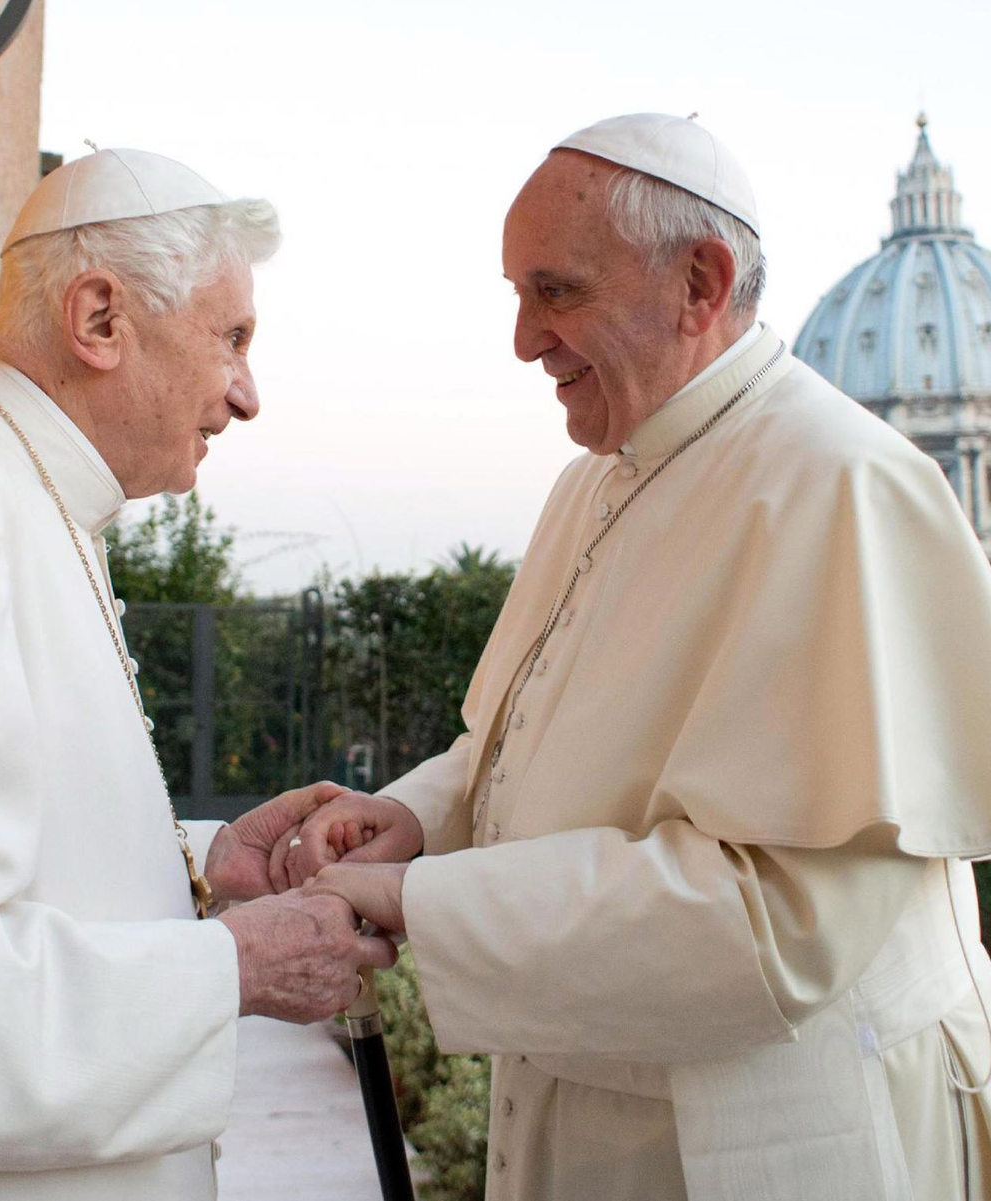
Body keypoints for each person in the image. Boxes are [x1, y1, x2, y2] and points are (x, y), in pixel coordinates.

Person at [282, 113, 991, 1199]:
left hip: (770, 1134)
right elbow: (523, 742)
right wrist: (422, 819)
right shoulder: (599, 476)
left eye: (556, 292)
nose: (523, 339)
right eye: (517, 294)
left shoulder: (845, 487)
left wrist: (424, 902)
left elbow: (782, 923)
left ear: (700, 284)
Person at [0, 148, 394, 1201]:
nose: (247, 395)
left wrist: (205, 882)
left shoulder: (15, 500)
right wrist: (235, 967)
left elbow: (11, 874)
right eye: (233, 339)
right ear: (101, 318)